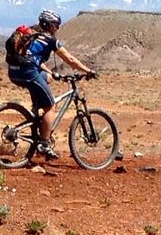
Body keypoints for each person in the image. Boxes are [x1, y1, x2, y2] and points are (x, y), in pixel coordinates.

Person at [7, 10, 98, 160]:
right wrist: (88, 71)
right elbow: (70, 59)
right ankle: (44, 143)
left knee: (47, 78)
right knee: (51, 106)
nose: (57, 28)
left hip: (14, 72)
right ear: (49, 25)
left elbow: (34, 60)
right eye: (56, 25)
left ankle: (36, 115)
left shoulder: (32, 36)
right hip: (28, 72)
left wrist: (52, 73)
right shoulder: (50, 39)